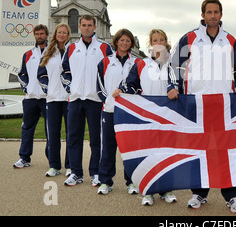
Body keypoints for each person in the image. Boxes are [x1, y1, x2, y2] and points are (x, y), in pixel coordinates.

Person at [167, 0, 236, 213]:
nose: (212, 15)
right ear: (202, 14)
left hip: (225, 104)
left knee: (226, 150)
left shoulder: (230, 40)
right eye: (209, 12)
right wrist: (172, 87)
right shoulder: (190, 38)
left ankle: (232, 196)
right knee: (199, 150)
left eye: (216, 12)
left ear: (221, 15)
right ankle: (199, 193)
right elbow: (174, 66)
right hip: (197, 103)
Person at [113, 29, 178, 205]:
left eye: (162, 39)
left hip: (169, 116)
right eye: (155, 40)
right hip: (148, 116)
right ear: (150, 43)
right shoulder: (142, 64)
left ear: (166, 42)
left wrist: (175, 90)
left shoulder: (174, 64)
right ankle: (148, 190)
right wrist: (121, 89)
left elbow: (181, 84)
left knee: (166, 153)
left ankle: (166, 189)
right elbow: (130, 83)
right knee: (149, 154)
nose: (158, 42)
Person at [61, 15, 113, 186]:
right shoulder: (71, 48)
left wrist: (103, 94)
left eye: (90, 25)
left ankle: (95, 172)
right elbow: (64, 72)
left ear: (95, 27)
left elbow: (110, 73)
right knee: (73, 137)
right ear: (80, 27)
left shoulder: (104, 48)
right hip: (75, 99)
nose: (86, 28)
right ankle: (76, 173)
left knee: (96, 139)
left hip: (96, 101)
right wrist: (71, 88)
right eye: (83, 25)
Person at [96, 29, 140, 195]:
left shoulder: (136, 62)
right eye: (122, 40)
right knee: (108, 148)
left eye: (128, 41)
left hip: (129, 113)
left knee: (129, 149)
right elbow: (99, 86)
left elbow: (139, 86)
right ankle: (105, 181)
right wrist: (108, 100)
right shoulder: (105, 62)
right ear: (116, 41)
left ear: (131, 43)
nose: (124, 43)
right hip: (109, 110)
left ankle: (131, 182)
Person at [37, 23, 71, 177]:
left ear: (68, 35)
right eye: (59, 32)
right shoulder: (48, 52)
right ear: (55, 34)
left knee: (71, 134)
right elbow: (41, 74)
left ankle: (70, 166)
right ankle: (54, 166)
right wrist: (47, 89)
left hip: (69, 98)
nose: (62, 35)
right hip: (52, 99)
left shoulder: (73, 51)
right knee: (53, 134)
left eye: (64, 33)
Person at [13, 24, 49, 168]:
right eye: (37, 34)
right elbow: (22, 74)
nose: (39, 36)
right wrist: (26, 88)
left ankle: (52, 160)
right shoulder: (28, 54)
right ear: (34, 35)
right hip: (30, 98)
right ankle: (24, 158)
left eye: (42, 34)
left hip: (48, 98)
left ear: (47, 35)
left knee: (50, 130)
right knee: (27, 128)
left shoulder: (53, 53)